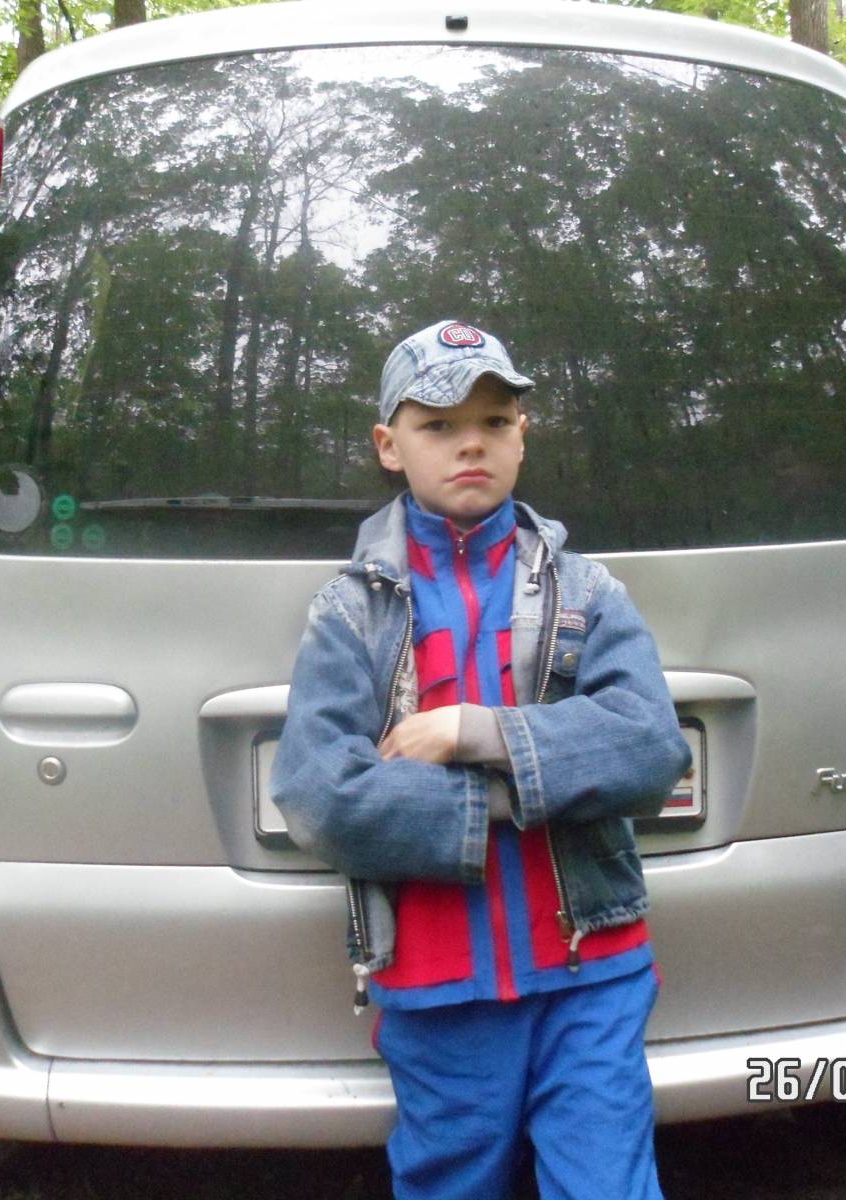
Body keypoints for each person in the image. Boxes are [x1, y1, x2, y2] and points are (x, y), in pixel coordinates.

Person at [270, 319, 690, 1200]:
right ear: (389, 446)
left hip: (592, 971)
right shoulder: (351, 612)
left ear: (522, 436)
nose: (472, 443)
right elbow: (319, 795)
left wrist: (474, 733)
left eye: (495, 421)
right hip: (436, 984)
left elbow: (651, 746)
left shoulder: (587, 591)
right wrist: (521, 796)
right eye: (438, 425)